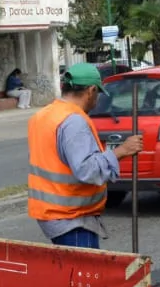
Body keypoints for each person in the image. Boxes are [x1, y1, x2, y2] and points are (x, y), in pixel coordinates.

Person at [27, 62, 143, 248]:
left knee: (70, 274)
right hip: (71, 218)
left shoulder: (44, 115)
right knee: (85, 276)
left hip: (52, 213)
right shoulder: (73, 122)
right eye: (97, 93)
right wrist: (122, 151)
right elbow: (87, 169)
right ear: (90, 91)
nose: (96, 100)